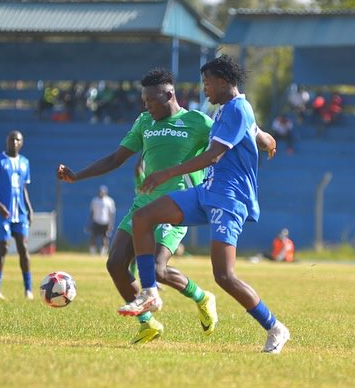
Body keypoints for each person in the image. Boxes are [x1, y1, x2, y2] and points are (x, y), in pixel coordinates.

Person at [119, 55, 290, 354]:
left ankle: (275, 326)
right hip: (206, 192)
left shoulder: (237, 108)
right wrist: (267, 140)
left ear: (224, 81)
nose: (205, 89)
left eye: (207, 83)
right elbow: (257, 134)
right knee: (143, 217)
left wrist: (167, 173)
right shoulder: (230, 110)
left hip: (228, 199)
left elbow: (213, 156)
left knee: (224, 276)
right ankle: (149, 293)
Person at [57, 68, 221, 345]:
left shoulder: (197, 122)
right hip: (143, 205)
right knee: (115, 263)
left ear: (169, 95)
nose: (147, 106)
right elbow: (115, 159)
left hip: (175, 205)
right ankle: (147, 324)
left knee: (157, 270)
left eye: (152, 101)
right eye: (144, 101)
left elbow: (227, 142)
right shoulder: (145, 122)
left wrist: (261, 139)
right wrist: (77, 175)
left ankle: (202, 297)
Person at [0, 130, 34, 300]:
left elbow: (23, 189)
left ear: (22, 143)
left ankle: (28, 290)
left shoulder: (25, 162)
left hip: (20, 213)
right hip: (2, 213)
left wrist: (29, 208)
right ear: (6, 141)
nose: (14, 142)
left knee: (23, 248)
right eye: (11, 139)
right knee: (3, 248)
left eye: (17, 140)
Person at [87, 185, 116, 256]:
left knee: (104, 238)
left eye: (103, 192)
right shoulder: (94, 200)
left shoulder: (109, 201)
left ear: (106, 192)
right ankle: (92, 253)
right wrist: (90, 222)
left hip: (105, 222)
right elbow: (92, 212)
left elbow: (112, 213)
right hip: (96, 221)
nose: (101, 193)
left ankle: (102, 253)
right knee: (93, 237)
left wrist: (111, 224)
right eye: (100, 191)